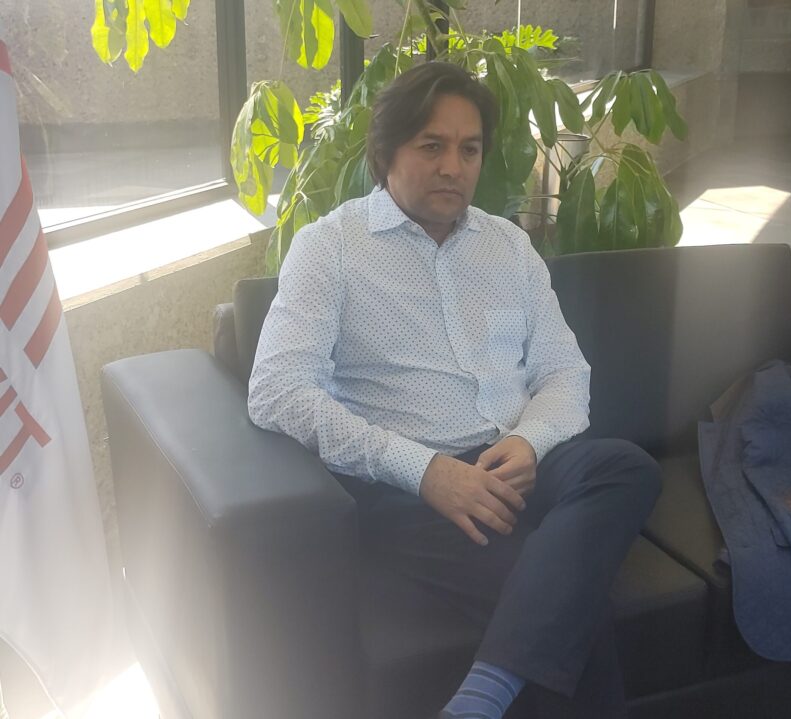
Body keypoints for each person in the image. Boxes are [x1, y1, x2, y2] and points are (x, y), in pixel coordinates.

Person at [248, 61, 662, 719]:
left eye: (469, 149)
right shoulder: (330, 248)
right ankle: (489, 693)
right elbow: (277, 389)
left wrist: (530, 442)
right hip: (415, 491)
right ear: (387, 152)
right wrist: (427, 472)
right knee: (571, 609)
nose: (453, 167)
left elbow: (565, 371)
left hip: (519, 462)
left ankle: (481, 693)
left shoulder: (509, 247)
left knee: (625, 467)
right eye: (431, 146)